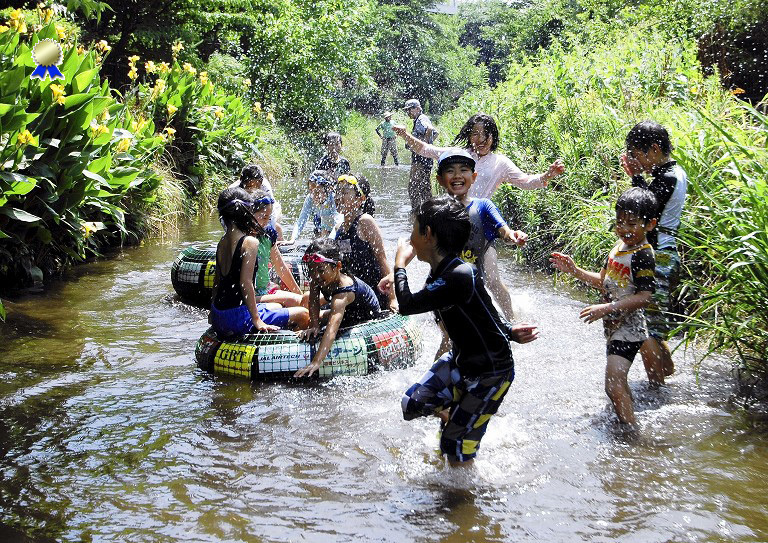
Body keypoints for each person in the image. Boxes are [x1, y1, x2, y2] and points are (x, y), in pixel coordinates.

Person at [393, 195, 539, 466]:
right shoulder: (439, 275)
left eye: (414, 230)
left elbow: (407, 305)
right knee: (413, 402)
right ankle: (459, 420)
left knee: (453, 446)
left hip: (491, 372)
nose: (410, 238)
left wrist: (399, 265)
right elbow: (487, 314)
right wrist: (509, 331)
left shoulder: (460, 274)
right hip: (462, 361)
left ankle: (462, 495)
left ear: (427, 234)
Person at [394, 113, 565, 316]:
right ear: (468, 135)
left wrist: (547, 175)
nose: (481, 139)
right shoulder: (458, 155)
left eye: (486, 133)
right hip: (449, 224)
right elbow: (425, 149)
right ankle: (400, 296)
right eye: (475, 133)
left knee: (492, 281)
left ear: (493, 136)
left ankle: (511, 320)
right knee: (438, 276)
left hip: (479, 226)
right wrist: (405, 135)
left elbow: (526, 181)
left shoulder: (499, 163)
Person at [550, 187, 658, 427]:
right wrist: (575, 270)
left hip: (628, 327)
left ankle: (633, 435)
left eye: (632, 224)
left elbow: (644, 296)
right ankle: (629, 419)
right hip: (614, 324)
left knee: (613, 383)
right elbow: (603, 281)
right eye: (620, 222)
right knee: (616, 384)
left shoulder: (643, 255)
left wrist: (607, 308)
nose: (625, 229)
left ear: (649, 224)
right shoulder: (618, 248)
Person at [620, 121, 688, 386]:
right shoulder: (672, 173)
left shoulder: (669, 177)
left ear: (655, 149)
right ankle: (665, 375)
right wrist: (638, 176)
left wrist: (636, 177)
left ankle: (658, 389)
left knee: (649, 325)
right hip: (663, 254)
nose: (638, 160)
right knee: (653, 324)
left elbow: (644, 211)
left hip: (660, 255)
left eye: (639, 155)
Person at [210, 187, 309, 337]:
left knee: (276, 305)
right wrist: (256, 320)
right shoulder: (250, 242)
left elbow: (217, 283)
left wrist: (213, 312)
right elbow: (246, 283)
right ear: (247, 212)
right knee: (303, 314)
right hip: (238, 317)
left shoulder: (222, 242)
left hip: (219, 315)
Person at [293, 238, 382, 378]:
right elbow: (313, 301)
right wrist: (314, 325)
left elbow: (332, 329)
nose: (315, 275)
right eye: (311, 270)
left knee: (328, 324)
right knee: (310, 317)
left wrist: (316, 362)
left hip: (364, 315)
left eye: (321, 270)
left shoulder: (343, 291)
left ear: (337, 266)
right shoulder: (317, 277)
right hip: (347, 310)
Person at [334, 173, 397, 311]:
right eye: (337, 191)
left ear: (360, 199)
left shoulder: (365, 222)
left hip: (373, 292)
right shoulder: (339, 229)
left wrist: (392, 299)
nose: (338, 196)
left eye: (344, 192)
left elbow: (382, 260)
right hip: (351, 291)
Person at [230, 163, 284, 239]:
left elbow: (270, 211)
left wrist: (269, 234)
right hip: (249, 211)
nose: (253, 190)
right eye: (249, 187)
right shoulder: (234, 190)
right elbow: (227, 217)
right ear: (242, 182)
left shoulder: (265, 187)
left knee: (274, 228)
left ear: (261, 182)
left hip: (272, 210)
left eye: (256, 187)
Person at [285, 170, 337, 244]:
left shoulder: (334, 198)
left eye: (317, 192)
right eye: (310, 191)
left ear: (328, 189)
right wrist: (292, 239)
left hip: (338, 229)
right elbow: (301, 220)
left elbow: (338, 223)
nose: (313, 195)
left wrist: (330, 240)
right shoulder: (310, 198)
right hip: (322, 226)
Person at [403, 98, 436, 212]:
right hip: (424, 159)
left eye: (409, 110)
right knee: (424, 187)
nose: (408, 113)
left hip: (420, 160)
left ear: (417, 108)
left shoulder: (421, 119)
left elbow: (430, 129)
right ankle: (429, 211)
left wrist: (423, 147)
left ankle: (416, 212)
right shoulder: (420, 119)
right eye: (406, 110)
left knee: (413, 187)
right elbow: (436, 133)